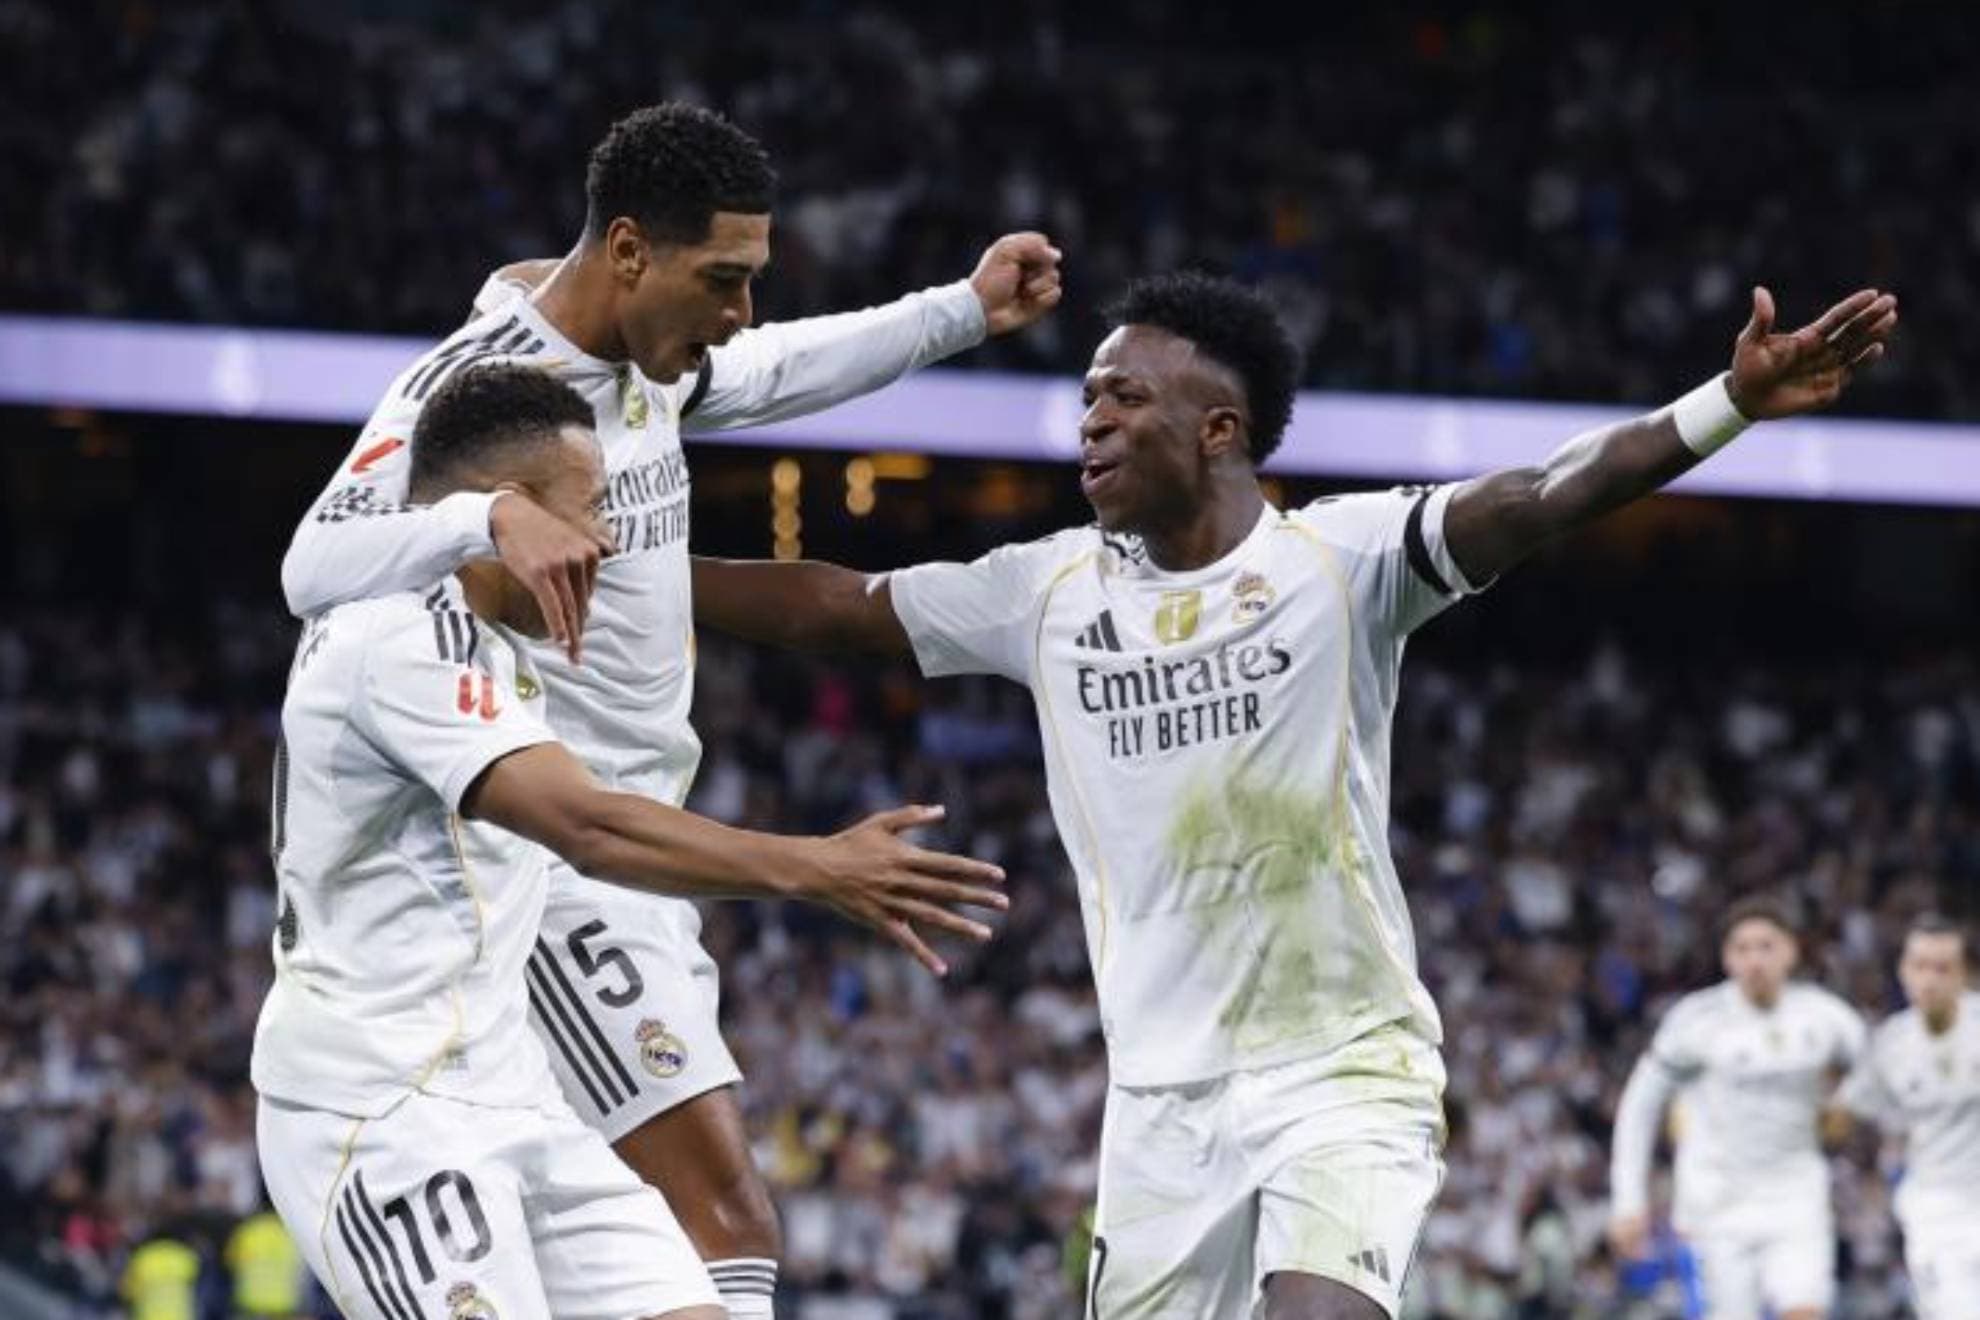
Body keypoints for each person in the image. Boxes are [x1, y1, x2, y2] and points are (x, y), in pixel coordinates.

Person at [688, 270, 1898, 1318]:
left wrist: (1727, 402)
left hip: (1343, 1068)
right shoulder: (1045, 591)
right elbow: (838, 608)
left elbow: (1545, 493)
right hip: (1160, 1101)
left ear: (1218, 430)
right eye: (1090, 397)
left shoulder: (1344, 560)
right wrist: (640, 571)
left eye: (1125, 397)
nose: (1091, 420)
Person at [278, 102, 1060, 1317]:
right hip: (570, 844)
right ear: (630, 250)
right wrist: (490, 517)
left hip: (646, 834)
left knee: (683, 1231)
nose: (739, 311)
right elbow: (310, 564)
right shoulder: (487, 390)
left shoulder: (654, 362)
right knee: (724, 1212)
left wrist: (959, 310)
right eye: (723, 280)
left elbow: (777, 369)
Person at [1609, 898, 1867, 1320]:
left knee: (1805, 1311)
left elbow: (1883, 1077)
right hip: (1716, 1206)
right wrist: (1628, 1201)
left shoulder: (1825, 1018)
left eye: (1766, 946)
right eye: (1742, 949)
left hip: (1796, 1196)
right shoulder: (1697, 1020)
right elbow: (1640, 1105)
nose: (1755, 960)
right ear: (1726, 958)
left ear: (1791, 951)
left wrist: (1847, 1104)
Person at [1832, 914, 1980, 1319]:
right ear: (1903, 971)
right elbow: (1844, 1113)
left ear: (1963, 974)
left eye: (1943, 968)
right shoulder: (1890, 1044)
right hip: (1936, 1213)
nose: (1929, 980)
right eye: (1919, 966)